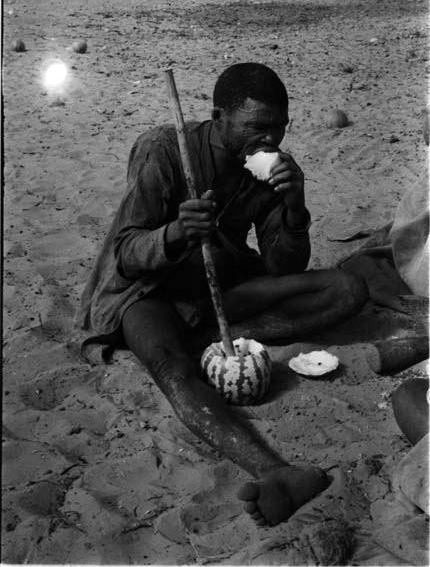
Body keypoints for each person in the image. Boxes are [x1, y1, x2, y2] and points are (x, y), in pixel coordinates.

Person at [78, 63, 368, 526]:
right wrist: (174, 232)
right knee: (171, 369)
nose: (270, 140)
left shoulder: (273, 170)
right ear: (219, 116)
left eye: (279, 127)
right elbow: (127, 253)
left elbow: (282, 265)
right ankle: (275, 470)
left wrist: (294, 206)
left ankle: (209, 338)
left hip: (221, 287)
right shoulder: (164, 149)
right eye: (257, 127)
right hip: (148, 292)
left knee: (346, 288)